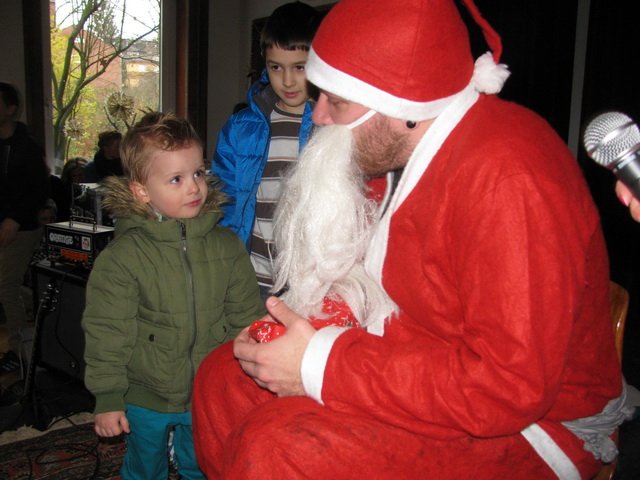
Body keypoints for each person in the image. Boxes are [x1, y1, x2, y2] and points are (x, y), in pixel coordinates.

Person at [192, 1, 631, 478]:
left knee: (278, 447)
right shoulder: (392, 151)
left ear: (402, 106)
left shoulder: (510, 181)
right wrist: (302, 331)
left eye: (337, 102)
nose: (318, 116)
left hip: (536, 425)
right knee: (224, 379)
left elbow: (507, 389)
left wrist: (319, 363)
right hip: (415, 353)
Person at [81, 112, 265, 479]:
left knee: (203, 463)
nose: (194, 187)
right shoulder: (123, 257)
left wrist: (247, 378)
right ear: (142, 191)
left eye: (198, 173)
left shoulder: (227, 246)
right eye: (176, 179)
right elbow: (107, 331)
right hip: (145, 393)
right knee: (145, 468)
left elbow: (246, 319)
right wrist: (108, 397)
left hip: (208, 390)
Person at [212, 1, 322, 297]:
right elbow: (224, 204)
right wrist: (225, 267)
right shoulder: (239, 128)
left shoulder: (333, 126)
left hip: (312, 286)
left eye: (300, 67)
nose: (287, 81)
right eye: (276, 67)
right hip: (252, 280)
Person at [0, 81, 49, 375]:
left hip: (22, 227)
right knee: (7, 284)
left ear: (11, 109)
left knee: (6, 286)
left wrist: (15, 218)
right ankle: (46, 305)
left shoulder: (26, 145)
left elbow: (39, 188)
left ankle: (18, 352)